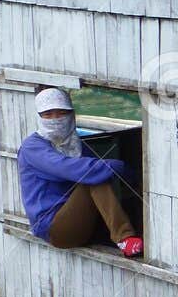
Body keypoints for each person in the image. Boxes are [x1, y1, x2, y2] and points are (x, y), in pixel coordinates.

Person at [18, 88, 143, 257]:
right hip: (54, 228)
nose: (55, 119)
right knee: (93, 177)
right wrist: (118, 167)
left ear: (72, 115)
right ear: (39, 117)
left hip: (83, 222)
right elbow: (65, 167)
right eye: (48, 115)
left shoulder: (76, 144)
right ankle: (125, 237)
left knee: (100, 175)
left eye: (61, 113)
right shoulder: (32, 147)